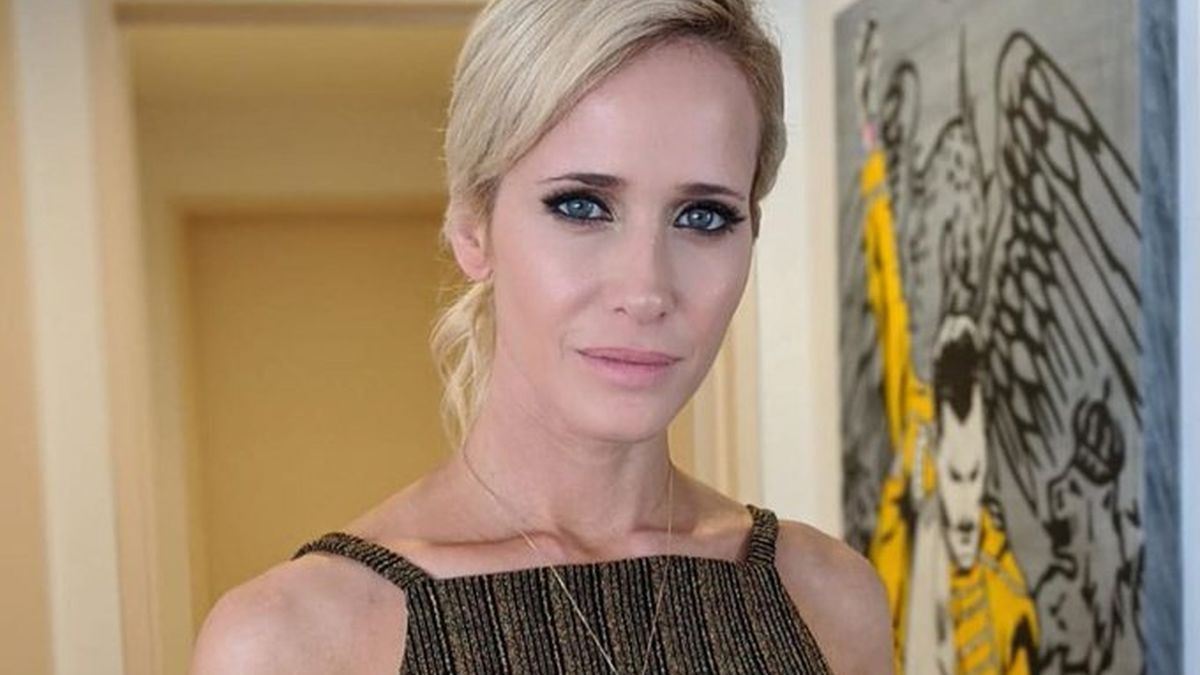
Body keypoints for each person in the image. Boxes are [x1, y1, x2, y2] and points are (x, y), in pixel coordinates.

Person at [190, 0, 892, 673]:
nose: (646, 291)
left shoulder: (828, 600)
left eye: (703, 216)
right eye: (582, 206)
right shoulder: (293, 640)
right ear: (472, 227)